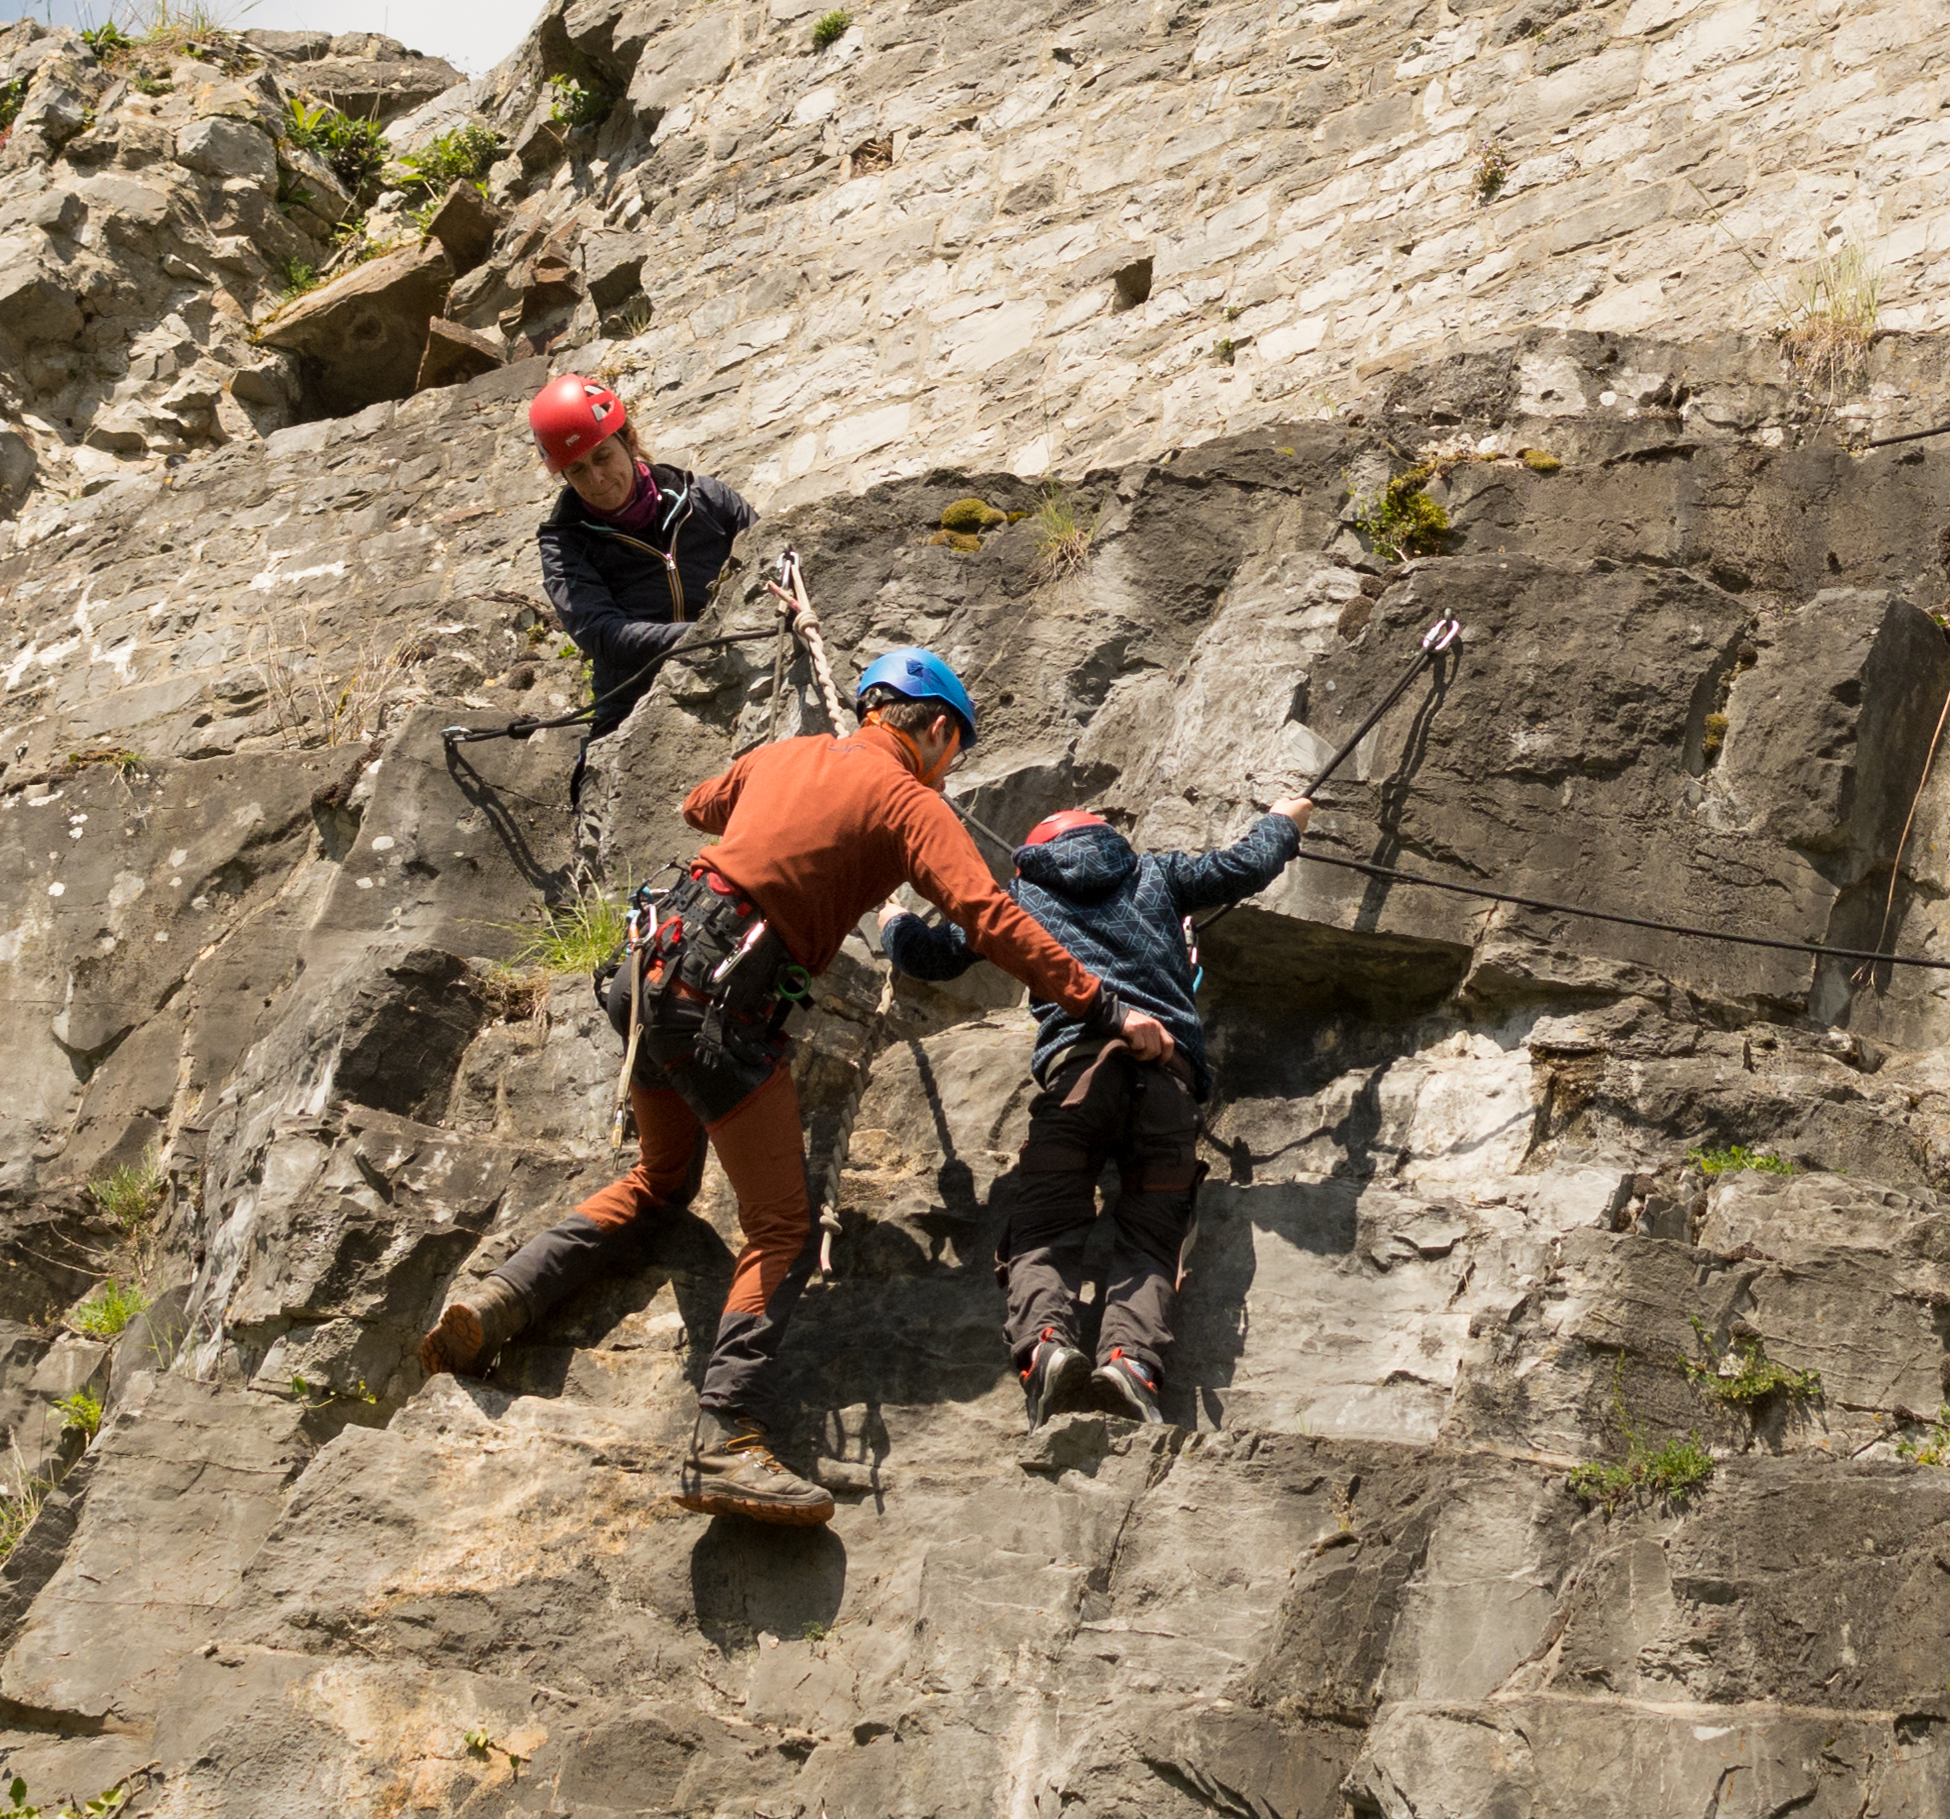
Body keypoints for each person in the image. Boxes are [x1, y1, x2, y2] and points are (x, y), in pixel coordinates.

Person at [425, 647, 1119, 1525]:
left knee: (660, 1181)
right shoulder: (910, 802)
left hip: (646, 974)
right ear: (939, 729)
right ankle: (726, 1436)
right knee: (783, 1229)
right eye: (955, 751)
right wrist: (1097, 1001)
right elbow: (986, 915)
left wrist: (788, 804)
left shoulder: (786, 754)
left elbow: (698, 804)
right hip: (719, 1004)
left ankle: (497, 1301)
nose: (950, 770)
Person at [886, 781, 1309, 1423]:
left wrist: (893, 921)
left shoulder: (1018, 897)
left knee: (1046, 1224)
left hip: (1079, 1072)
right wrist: (1283, 821)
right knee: (1153, 1234)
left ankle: (1046, 1346)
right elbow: (1242, 867)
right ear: (1111, 841)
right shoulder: (1156, 874)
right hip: (1166, 1078)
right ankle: (1131, 1362)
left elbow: (930, 956)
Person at [529, 372, 758, 739]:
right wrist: (702, 635)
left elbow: (767, 565)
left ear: (630, 442)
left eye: (603, 456)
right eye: (578, 470)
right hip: (634, 700)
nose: (597, 478)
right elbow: (602, 634)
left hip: (740, 662)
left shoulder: (709, 500)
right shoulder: (564, 544)